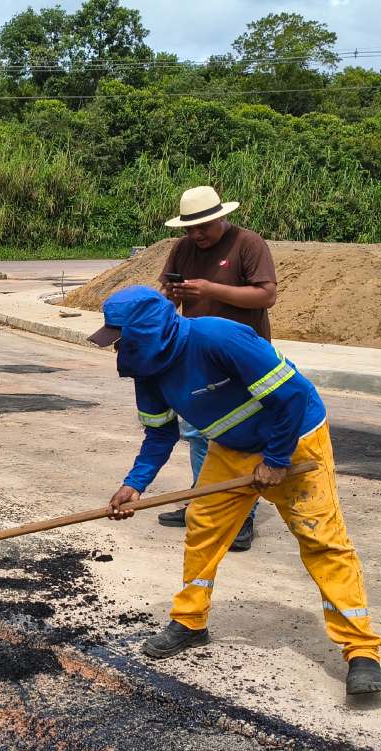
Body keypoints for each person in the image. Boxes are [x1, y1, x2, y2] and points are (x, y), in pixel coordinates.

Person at [92, 286, 381, 695]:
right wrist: (134, 484)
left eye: (121, 338)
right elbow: (160, 434)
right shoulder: (149, 370)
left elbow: (293, 396)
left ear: (148, 329)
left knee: (322, 540)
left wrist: (278, 460)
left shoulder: (219, 338)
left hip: (296, 439)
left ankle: (361, 650)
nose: (117, 348)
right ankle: (190, 621)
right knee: (203, 528)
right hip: (230, 448)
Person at [155, 185, 278, 553]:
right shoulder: (182, 249)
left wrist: (210, 290)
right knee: (197, 433)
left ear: (220, 217)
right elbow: (165, 290)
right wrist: (171, 298)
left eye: (202, 228)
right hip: (198, 358)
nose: (196, 235)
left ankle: (241, 517)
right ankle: (204, 500)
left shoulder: (248, 244)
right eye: (189, 229)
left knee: (241, 438)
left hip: (244, 360)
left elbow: (266, 295)